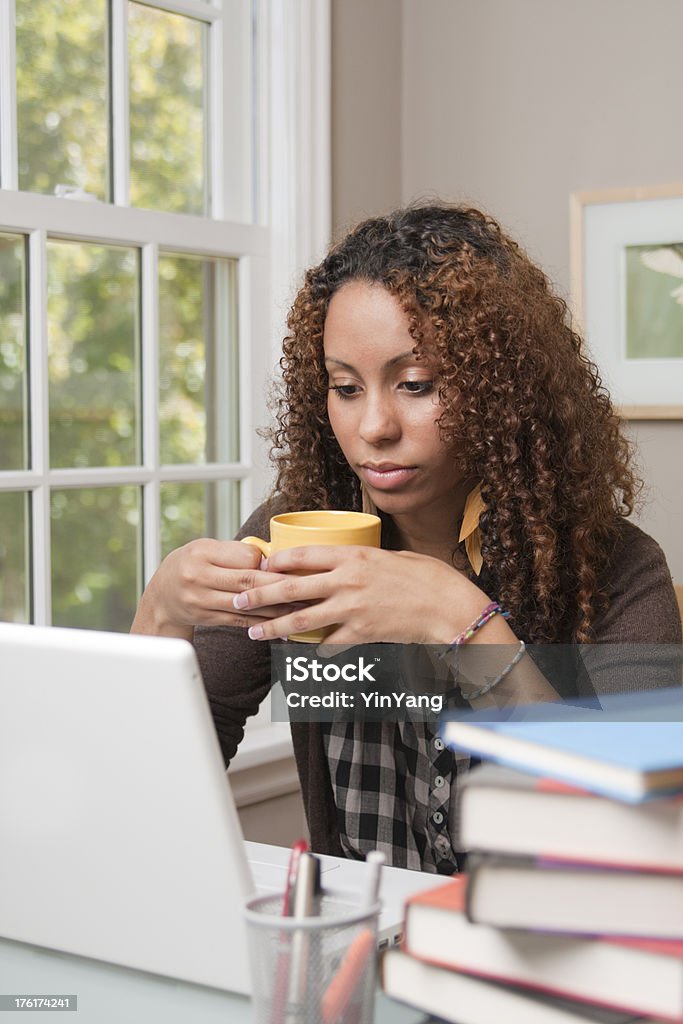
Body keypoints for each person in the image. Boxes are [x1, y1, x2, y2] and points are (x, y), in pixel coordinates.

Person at [132, 203, 681, 872]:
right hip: (362, 948)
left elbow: (643, 841)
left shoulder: (616, 567)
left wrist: (467, 626)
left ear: (500, 389)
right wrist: (160, 614)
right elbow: (154, 783)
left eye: (416, 384)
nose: (373, 427)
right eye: (344, 386)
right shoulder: (296, 535)